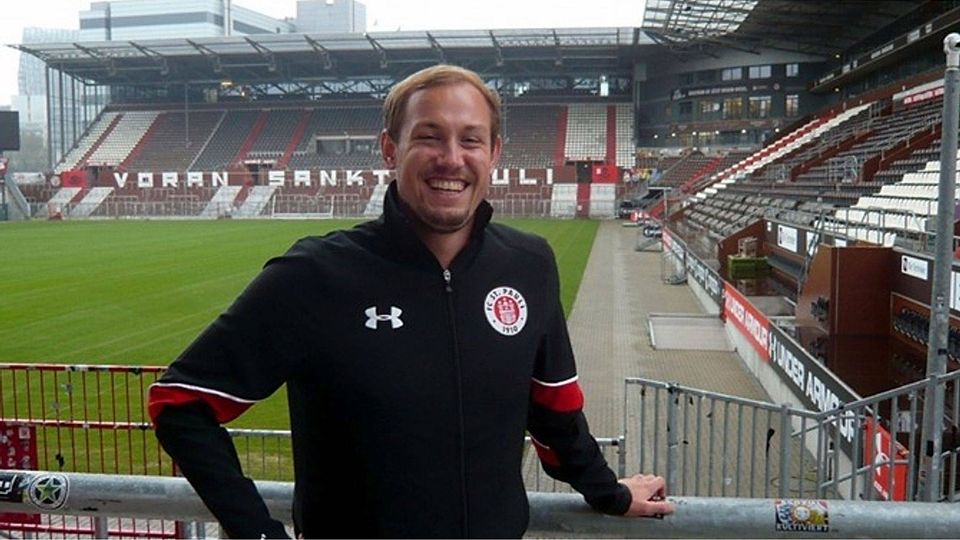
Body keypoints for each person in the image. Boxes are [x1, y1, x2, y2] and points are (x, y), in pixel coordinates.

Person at [148, 64, 673, 538]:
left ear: (493, 153)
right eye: (429, 136)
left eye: (471, 139)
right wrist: (258, 533)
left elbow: (554, 411)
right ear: (390, 149)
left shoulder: (529, 264)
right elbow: (180, 404)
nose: (452, 158)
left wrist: (609, 492)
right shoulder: (315, 275)